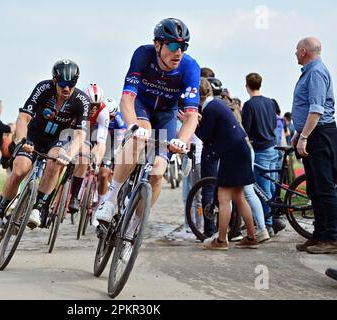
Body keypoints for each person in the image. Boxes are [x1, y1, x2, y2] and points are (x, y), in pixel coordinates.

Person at [95, 18, 200, 227]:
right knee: (140, 135)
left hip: (166, 114)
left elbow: (191, 116)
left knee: (158, 173)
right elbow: (127, 99)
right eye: (172, 45)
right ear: (158, 45)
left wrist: (182, 140)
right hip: (141, 106)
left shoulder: (190, 67)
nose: (178, 52)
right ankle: (110, 199)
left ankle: (133, 229)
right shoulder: (143, 55)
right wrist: (132, 125)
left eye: (183, 46)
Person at [0, 59, 89, 238]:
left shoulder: (81, 100)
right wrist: (22, 140)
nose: (67, 89)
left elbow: (80, 135)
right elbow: (23, 117)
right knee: (19, 170)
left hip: (57, 140)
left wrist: (70, 154)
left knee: (56, 162)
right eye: (63, 84)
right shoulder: (43, 88)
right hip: (33, 136)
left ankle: (38, 207)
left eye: (71, 84)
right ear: (55, 80)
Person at [196, 78, 258, 250]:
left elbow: (206, 135)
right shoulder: (216, 104)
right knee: (239, 197)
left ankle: (221, 241)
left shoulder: (209, 108)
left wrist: (193, 122)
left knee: (223, 198)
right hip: (241, 149)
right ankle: (252, 238)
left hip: (232, 154)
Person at [291, 37, 337, 254]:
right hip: (312, 133)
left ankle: (332, 238)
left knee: (325, 188)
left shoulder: (316, 72)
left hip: (320, 135)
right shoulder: (310, 71)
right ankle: (319, 235)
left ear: (303, 51)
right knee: (315, 188)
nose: (294, 54)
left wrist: (305, 137)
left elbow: (316, 109)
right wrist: (298, 133)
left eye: (296, 50)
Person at [242, 73, 281, 237]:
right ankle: (275, 219)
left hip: (260, 149)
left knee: (262, 190)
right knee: (271, 186)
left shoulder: (249, 105)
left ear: (247, 85)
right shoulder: (270, 102)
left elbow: (246, 128)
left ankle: (268, 225)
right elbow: (273, 123)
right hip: (273, 147)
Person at [68, 83, 110, 213]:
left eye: (96, 106)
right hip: (71, 127)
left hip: (89, 131)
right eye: (91, 105)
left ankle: (75, 196)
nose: (93, 109)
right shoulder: (76, 102)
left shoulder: (103, 111)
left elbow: (101, 142)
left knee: (85, 156)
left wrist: (96, 161)